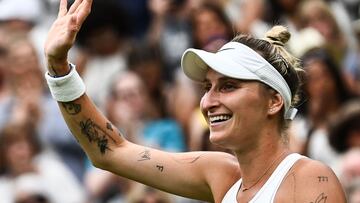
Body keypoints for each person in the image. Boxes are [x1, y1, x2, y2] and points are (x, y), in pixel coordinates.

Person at [43, 0, 346, 202]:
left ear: (273, 102)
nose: (209, 101)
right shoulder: (220, 174)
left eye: (228, 86)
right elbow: (109, 151)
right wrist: (58, 68)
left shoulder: (310, 179)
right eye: (207, 87)